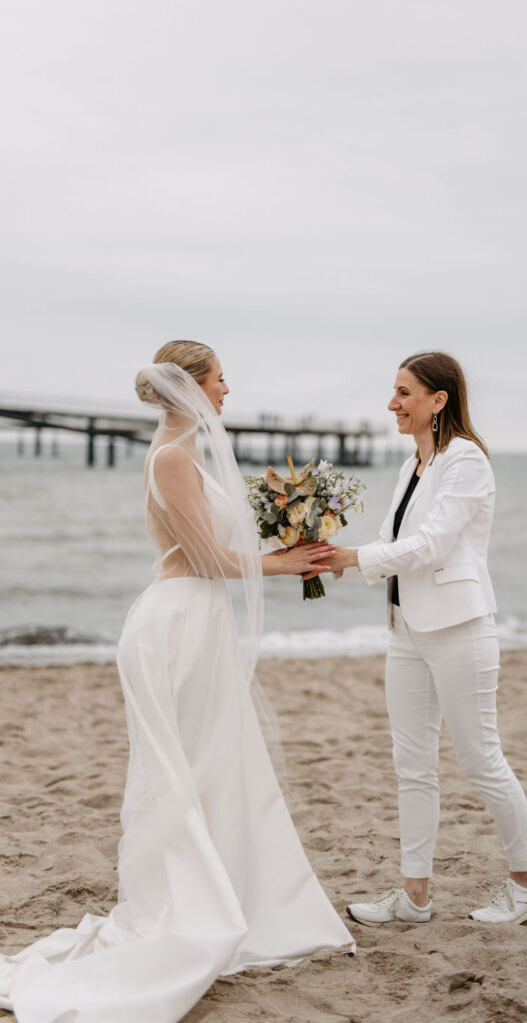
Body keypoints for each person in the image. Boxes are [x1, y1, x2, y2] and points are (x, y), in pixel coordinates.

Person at [0, 341, 354, 1023]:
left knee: (219, 766)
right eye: (220, 378)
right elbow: (208, 560)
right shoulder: (171, 456)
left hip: (197, 622)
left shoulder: (183, 452)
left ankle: (241, 898)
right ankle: (195, 909)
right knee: (188, 770)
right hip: (178, 626)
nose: (228, 389)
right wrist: (288, 563)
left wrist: (285, 552)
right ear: (191, 385)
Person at [327, 351, 527, 926]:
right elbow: (389, 542)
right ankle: (414, 895)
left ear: (438, 400)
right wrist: (331, 559)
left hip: (459, 630)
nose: (392, 404)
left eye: (404, 393)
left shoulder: (466, 461)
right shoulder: (413, 468)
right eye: (394, 392)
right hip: (406, 631)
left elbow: (429, 546)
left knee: (480, 759)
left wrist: (355, 557)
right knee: (412, 765)